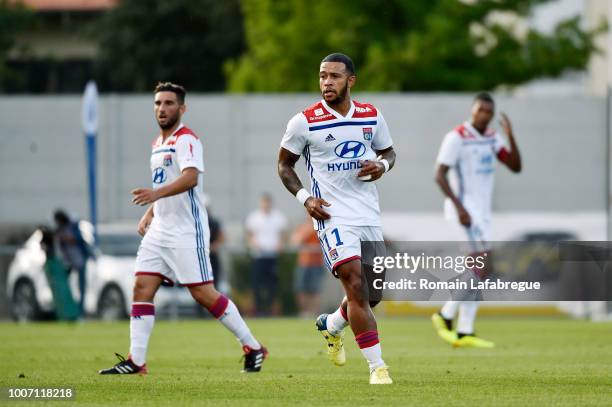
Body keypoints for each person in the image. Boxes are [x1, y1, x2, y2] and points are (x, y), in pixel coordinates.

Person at [99, 82, 266, 375]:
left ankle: (253, 346)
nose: (162, 109)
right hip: (160, 229)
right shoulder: (157, 143)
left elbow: (190, 178)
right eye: (158, 103)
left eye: (169, 103)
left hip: (187, 231)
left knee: (203, 294)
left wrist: (154, 196)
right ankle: (136, 361)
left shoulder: (187, 139)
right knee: (141, 287)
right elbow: (165, 183)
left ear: (182, 108)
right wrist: (151, 212)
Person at [277, 53, 396, 384]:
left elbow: (389, 152)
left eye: (334, 76)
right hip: (331, 214)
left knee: (373, 295)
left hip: (367, 213)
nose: (326, 82)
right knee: (355, 285)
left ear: (350, 80)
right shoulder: (304, 121)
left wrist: (382, 166)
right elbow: (284, 166)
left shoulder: (371, 116)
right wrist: (305, 198)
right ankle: (378, 367)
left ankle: (331, 325)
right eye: (322, 76)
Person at [432, 92, 522, 348]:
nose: (484, 114)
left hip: (481, 214)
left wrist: (512, 137)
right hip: (463, 212)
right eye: (480, 109)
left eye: (488, 111)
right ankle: (445, 314)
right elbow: (439, 174)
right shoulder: (457, 137)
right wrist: (459, 207)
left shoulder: (493, 138)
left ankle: (465, 330)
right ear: (472, 110)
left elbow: (515, 166)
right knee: (482, 266)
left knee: (478, 270)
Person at [245, 193, 287, 316]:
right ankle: (258, 309)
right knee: (257, 284)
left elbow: (284, 233)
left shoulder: (278, 217)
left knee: (272, 286)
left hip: (272, 256)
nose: (266, 205)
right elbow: (249, 234)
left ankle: (269, 310)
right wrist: (253, 243)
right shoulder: (254, 217)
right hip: (258, 256)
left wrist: (280, 244)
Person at [53, 210, 91, 316]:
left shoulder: (73, 226)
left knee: (81, 287)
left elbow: (77, 239)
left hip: (79, 260)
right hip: (68, 261)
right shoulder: (60, 229)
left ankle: (80, 312)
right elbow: (60, 246)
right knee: (64, 285)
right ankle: (67, 309)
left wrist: (68, 238)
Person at [291, 216, 325, 317]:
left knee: (315, 290)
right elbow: (295, 241)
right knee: (301, 289)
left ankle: (314, 313)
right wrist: (307, 232)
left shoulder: (322, 228)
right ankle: (304, 313)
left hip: (317, 264)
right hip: (303, 263)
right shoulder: (303, 227)